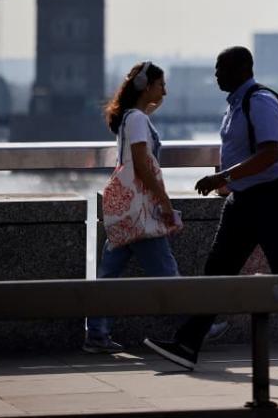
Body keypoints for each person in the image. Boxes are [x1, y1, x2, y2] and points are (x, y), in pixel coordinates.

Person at [144, 46, 278, 371]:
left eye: (222, 68)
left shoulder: (258, 102)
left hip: (275, 196)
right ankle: (187, 344)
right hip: (246, 199)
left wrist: (223, 175)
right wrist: (230, 185)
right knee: (217, 271)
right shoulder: (236, 105)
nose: (216, 75)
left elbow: (270, 153)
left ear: (242, 70)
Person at [84, 61, 179, 353]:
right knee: (165, 270)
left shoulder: (130, 117)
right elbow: (141, 163)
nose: (165, 90)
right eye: (160, 84)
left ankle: (97, 334)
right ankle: (195, 327)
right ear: (146, 87)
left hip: (125, 210)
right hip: (140, 209)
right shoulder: (137, 119)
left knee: (109, 274)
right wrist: (163, 201)